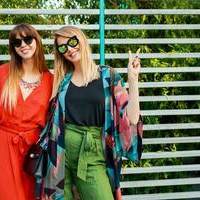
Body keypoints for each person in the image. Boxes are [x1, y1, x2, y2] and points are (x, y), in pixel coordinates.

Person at [38, 26, 143, 200]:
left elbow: (131, 118)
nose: (70, 49)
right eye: (63, 47)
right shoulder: (63, 81)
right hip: (60, 154)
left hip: (91, 152)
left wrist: (133, 79)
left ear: (82, 40)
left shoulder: (107, 76)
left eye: (72, 42)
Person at [0, 23, 53, 200]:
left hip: (34, 151)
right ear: (13, 48)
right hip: (4, 147)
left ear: (37, 41)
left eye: (28, 39)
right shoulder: (4, 72)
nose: (23, 45)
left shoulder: (51, 79)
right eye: (17, 42)